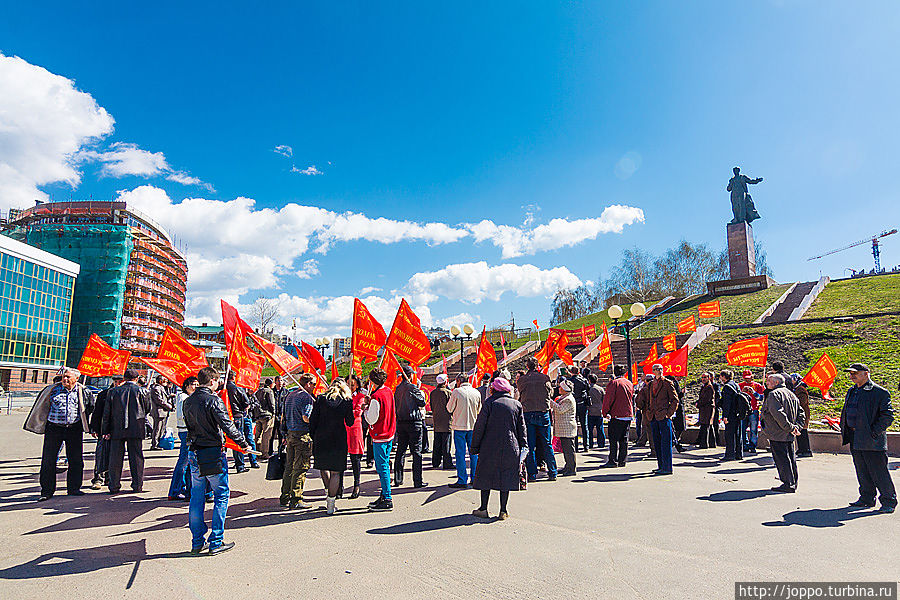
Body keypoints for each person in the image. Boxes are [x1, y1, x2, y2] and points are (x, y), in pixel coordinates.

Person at [183, 366, 250, 555]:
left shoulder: (188, 401)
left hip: (194, 450)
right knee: (221, 495)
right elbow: (227, 424)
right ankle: (216, 540)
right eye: (217, 381)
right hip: (212, 452)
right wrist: (242, 443)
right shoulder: (214, 400)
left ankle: (197, 541)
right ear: (212, 381)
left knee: (197, 496)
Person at [25, 367, 92, 501]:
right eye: (64, 377)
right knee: (48, 460)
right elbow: (41, 406)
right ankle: (47, 491)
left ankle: (74, 488)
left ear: (76, 378)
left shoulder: (83, 391)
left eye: (68, 377)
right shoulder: (52, 390)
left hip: (74, 428)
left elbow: (90, 407)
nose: (65, 379)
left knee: (76, 460)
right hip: (54, 428)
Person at [840, 363, 896, 513]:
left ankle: (888, 501)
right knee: (862, 470)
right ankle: (866, 497)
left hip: (872, 440)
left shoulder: (879, 392)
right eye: (850, 373)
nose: (852, 376)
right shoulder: (852, 391)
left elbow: (888, 415)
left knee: (879, 472)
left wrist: (874, 432)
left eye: (855, 373)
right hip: (855, 437)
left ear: (866, 373)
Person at [470, 377, 527, 520]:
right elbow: (522, 428)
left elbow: (480, 426)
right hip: (511, 446)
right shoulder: (516, 404)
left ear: (494, 389)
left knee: (485, 476)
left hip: (489, 446)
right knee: (506, 477)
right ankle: (503, 510)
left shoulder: (489, 403)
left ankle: (483, 508)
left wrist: (475, 446)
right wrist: (524, 446)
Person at [102, 368, 151, 494]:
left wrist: (105, 430)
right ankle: (137, 485)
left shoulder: (113, 391)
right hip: (136, 428)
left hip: (116, 428)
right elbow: (147, 409)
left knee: (115, 458)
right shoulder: (143, 391)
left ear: (124, 378)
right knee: (136, 458)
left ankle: (114, 485)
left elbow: (107, 413)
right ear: (137, 379)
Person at [310, 378, 354, 515]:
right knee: (336, 472)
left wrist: (313, 436)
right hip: (338, 438)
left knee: (324, 467)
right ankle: (331, 502)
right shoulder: (347, 401)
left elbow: (313, 420)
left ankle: (328, 492)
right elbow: (350, 422)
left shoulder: (321, 399)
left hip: (321, 437)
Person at [761, 373, 803, 493]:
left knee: (782, 459)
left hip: (778, 433)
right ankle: (792, 482)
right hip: (788, 433)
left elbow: (778, 414)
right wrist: (797, 428)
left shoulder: (774, 394)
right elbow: (801, 413)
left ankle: (787, 484)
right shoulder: (791, 394)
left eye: (769, 380)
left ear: (776, 383)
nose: (766, 382)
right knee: (790, 458)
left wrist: (790, 428)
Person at [517, 357, 557, 482]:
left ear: (527, 367)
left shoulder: (522, 380)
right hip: (543, 412)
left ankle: (532, 474)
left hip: (528, 413)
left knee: (530, 445)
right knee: (547, 444)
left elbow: (520, 393)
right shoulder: (545, 378)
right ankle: (553, 472)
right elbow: (550, 393)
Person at [280, 373, 316, 509]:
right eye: (313, 384)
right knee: (301, 467)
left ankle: (285, 496)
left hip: (290, 434)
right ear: (307, 384)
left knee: (289, 466)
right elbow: (306, 417)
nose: (314, 387)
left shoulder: (290, 395)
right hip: (302, 435)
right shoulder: (306, 397)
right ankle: (296, 498)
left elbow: (283, 417)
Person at [365, 368, 396, 511]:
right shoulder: (388, 391)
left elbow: (372, 418)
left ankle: (387, 497)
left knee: (382, 467)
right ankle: (384, 494)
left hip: (380, 435)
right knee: (384, 464)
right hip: (389, 432)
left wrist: (365, 409)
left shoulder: (376, 396)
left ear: (371, 381)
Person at [393, 365, 428, 489]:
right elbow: (422, 402)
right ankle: (417, 481)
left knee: (401, 451)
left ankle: (398, 479)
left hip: (401, 422)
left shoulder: (397, 389)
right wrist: (417, 391)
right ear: (410, 375)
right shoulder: (412, 387)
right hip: (414, 422)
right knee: (416, 452)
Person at [447, 373, 482, 488]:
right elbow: (479, 410)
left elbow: (449, 408)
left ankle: (462, 479)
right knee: (474, 454)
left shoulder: (456, 392)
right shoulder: (476, 392)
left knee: (460, 454)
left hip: (459, 426)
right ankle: (475, 477)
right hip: (473, 426)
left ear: (458, 381)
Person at [168, 376, 199, 501]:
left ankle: (185, 489)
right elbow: (183, 416)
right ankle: (175, 490)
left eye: (197, 384)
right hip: (186, 431)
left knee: (188, 462)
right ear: (186, 386)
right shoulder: (183, 398)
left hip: (188, 431)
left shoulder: (188, 398)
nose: (195, 387)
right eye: (193, 384)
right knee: (183, 462)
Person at [89, 375, 121, 490]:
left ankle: (109, 478)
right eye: (116, 381)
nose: (117, 384)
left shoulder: (124, 394)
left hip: (118, 430)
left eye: (120, 381)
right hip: (104, 429)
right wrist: (94, 428)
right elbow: (97, 412)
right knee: (101, 454)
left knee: (114, 455)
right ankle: (98, 478)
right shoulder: (104, 394)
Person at [647, 364, 678, 475]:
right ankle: (661, 466)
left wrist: (668, 414)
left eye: (660, 369)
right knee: (657, 443)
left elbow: (675, 400)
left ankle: (667, 467)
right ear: (653, 371)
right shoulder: (651, 384)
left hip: (663, 416)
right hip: (653, 416)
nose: (658, 371)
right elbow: (648, 398)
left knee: (666, 442)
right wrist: (648, 411)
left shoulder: (667, 383)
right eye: (656, 369)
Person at [602, 364, 634, 468]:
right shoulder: (629, 383)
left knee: (613, 439)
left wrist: (605, 412)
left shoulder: (613, 383)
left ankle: (613, 460)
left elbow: (608, 399)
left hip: (616, 414)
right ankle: (622, 460)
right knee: (624, 439)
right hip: (627, 414)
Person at [227, 372, 258, 472]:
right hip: (239, 415)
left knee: (236, 440)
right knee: (245, 439)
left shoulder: (222, 388)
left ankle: (240, 464)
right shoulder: (237, 388)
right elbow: (246, 403)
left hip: (229, 416)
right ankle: (250, 462)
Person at [345, 374, 367, 499]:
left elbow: (358, 412)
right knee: (341, 459)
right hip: (343, 429)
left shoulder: (360, 396)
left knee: (355, 459)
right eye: (348, 385)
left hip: (355, 429)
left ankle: (356, 485)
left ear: (357, 385)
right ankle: (339, 486)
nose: (350, 387)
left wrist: (347, 411)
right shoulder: (343, 396)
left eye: (352, 385)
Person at [550, 379, 577, 476]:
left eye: (561, 387)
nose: (559, 389)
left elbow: (560, 409)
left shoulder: (568, 399)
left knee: (569, 450)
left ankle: (571, 469)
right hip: (564, 429)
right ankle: (568, 466)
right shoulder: (564, 397)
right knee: (566, 450)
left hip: (567, 429)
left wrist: (551, 402)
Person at [430, 374, 454, 470]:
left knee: (437, 443)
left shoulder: (433, 393)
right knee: (446, 444)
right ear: (445, 382)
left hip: (436, 420)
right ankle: (447, 463)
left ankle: (435, 462)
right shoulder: (448, 393)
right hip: (447, 421)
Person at [719, 370, 744, 462]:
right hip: (737, 413)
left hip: (730, 414)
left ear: (724, 377)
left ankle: (729, 454)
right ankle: (738, 454)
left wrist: (725, 416)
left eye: (721, 376)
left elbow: (727, 403)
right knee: (737, 434)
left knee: (729, 435)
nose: (720, 378)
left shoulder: (727, 387)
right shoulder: (735, 385)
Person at [738, 370, 764, 455]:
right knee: (742, 428)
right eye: (745, 378)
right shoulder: (740, 385)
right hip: (743, 410)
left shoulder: (757, 385)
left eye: (749, 378)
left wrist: (753, 392)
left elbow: (760, 398)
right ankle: (744, 445)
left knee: (753, 429)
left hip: (754, 409)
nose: (747, 380)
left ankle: (752, 446)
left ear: (752, 377)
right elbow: (737, 397)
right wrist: (742, 391)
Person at [567, 366, 590, 453]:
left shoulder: (569, 381)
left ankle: (575, 446)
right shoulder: (583, 380)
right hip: (582, 403)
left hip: (573, 404)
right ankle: (586, 446)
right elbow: (588, 389)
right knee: (584, 425)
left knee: (574, 425)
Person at [790, 374, 813, 458]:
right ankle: (801, 449)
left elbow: (802, 402)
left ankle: (806, 450)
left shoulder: (801, 389)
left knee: (803, 432)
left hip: (803, 414)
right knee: (800, 432)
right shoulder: (796, 389)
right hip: (799, 413)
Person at [149, 375, 174, 451]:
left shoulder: (161, 388)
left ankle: (159, 442)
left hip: (163, 411)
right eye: (165, 380)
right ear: (160, 381)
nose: (166, 382)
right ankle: (154, 444)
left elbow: (163, 398)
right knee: (157, 428)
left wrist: (169, 396)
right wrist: (168, 406)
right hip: (158, 411)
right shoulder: (156, 388)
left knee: (161, 428)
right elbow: (159, 400)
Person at [634, 374, 656, 457]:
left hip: (647, 413)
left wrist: (641, 408)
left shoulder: (645, 389)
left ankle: (654, 451)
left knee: (650, 432)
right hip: (659, 413)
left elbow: (639, 401)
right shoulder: (659, 387)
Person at [254, 378, 276, 460]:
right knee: (266, 435)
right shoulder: (269, 391)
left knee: (258, 435)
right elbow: (272, 403)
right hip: (267, 415)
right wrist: (273, 413)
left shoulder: (258, 391)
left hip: (258, 415)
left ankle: (257, 451)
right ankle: (265, 453)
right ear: (271, 384)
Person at [696, 372, 717, 449]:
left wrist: (698, 404)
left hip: (707, 409)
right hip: (705, 409)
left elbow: (706, 399)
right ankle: (712, 443)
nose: (703, 379)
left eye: (705, 377)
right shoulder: (704, 386)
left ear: (709, 378)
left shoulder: (709, 387)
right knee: (709, 426)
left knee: (705, 426)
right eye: (702, 377)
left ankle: (704, 444)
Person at [586, 374, 606, 450]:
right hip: (599, 411)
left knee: (590, 429)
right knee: (600, 428)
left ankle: (590, 444)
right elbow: (603, 400)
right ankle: (601, 443)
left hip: (590, 411)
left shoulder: (588, 389)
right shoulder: (600, 389)